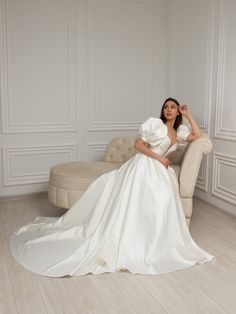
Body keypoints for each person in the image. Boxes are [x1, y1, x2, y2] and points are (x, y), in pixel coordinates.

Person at [10, 97, 215, 277]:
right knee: (138, 199)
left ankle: (155, 242)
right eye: (166, 107)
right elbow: (138, 146)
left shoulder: (179, 131)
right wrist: (160, 158)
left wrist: (187, 115)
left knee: (160, 201)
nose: (168, 110)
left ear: (177, 111)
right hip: (145, 164)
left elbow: (197, 136)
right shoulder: (155, 125)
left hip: (161, 170)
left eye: (173, 107)